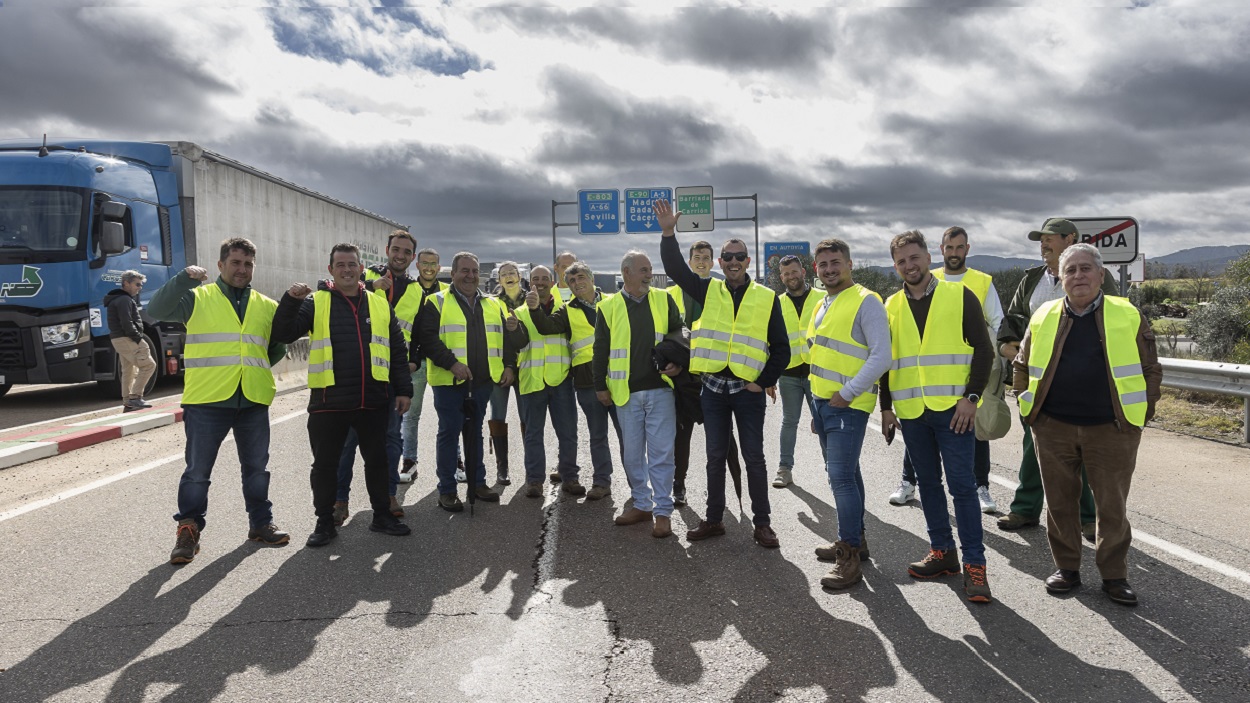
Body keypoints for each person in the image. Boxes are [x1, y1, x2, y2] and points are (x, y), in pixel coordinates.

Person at [1013, 243, 1161, 606]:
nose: (1078, 276)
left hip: (1112, 428)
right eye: (1071, 270)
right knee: (1060, 504)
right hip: (1052, 427)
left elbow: (1150, 369)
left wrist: (1141, 415)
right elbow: (1021, 364)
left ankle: (1114, 576)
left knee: (1111, 507)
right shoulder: (1044, 314)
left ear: (1100, 275)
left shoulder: (1127, 314)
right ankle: (1067, 569)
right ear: (1061, 278)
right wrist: (1028, 409)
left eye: (1085, 269)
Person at [656, 200, 790, 549]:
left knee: (754, 458)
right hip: (713, 389)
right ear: (720, 263)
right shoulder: (707, 288)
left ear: (748, 261)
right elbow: (674, 268)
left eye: (738, 256)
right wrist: (668, 232)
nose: (732, 262)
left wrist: (761, 381)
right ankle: (714, 519)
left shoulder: (766, 297)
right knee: (715, 456)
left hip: (747, 393)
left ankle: (762, 524)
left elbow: (782, 349)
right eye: (727, 257)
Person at [148, 238, 289, 564]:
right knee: (197, 471)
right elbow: (155, 310)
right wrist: (184, 278)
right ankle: (188, 531)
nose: (242, 270)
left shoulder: (266, 305)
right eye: (236, 263)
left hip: (252, 399)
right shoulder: (197, 298)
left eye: (248, 264)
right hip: (207, 401)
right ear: (221, 264)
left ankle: (260, 524)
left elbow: (276, 346)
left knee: (257, 469)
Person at [271, 243, 414, 547]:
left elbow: (397, 351)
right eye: (340, 265)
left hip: (374, 399)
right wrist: (290, 301)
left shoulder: (378, 304)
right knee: (326, 466)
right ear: (331, 270)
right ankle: (324, 522)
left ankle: (381, 516)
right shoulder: (315, 302)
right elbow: (283, 333)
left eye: (352, 264)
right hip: (328, 402)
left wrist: (403, 389)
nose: (347, 270)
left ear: (362, 268)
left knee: (377, 462)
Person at [879, 230, 995, 603]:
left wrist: (971, 398)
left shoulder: (959, 295)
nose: (909, 266)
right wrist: (885, 407)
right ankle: (943, 553)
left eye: (914, 258)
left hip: (953, 411)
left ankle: (975, 565)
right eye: (901, 261)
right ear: (895, 266)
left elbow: (983, 350)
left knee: (962, 487)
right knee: (928, 485)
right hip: (912, 412)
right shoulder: (890, 305)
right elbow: (886, 360)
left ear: (929, 257)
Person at [996, 218, 1119, 538]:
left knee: (1082, 450)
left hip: (1082, 383)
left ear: (1070, 239)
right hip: (1036, 384)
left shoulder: (1098, 279)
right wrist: (1014, 353)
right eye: (1041, 240)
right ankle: (1024, 510)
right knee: (1032, 448)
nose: (1043, 244)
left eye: (1049, 238)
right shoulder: (1031, 279)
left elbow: (1117, 324)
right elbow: (1011, 324)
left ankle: (1088, 517)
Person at [889, 226, 1004, 512]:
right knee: (920, 441)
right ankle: (908, 480)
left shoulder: (978, 283)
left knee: (975, 436)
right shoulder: (919, 285)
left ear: (967, 249)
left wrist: (976, 390)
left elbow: (996, 326)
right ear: (940, 252)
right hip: (921, 389)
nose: (954, 253)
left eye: (959, 247)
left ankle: (982, 486)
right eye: (949, 248)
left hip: (969, 379)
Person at [805, 240, 892, 589]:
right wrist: (817, 407)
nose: (829, 269)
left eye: (835, 262)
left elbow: (881, 356)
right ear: (817, 269)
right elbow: (820, 357)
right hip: (824, 403)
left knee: (839, 477)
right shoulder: (823, 302)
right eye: (823, 264)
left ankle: (848, 556)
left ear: (850, 264)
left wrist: (847, 393)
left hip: (847, 405)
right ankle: (856, 541)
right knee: (848, 473)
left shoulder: (866, 301)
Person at [416, 252, 526, 512]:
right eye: (465, 270)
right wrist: (452, 364)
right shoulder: (436, 302)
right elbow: (428, 339)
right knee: (449, 433)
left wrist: (509, 365)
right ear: (453, 274)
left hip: (482, 381)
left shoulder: (494, 304)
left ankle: (477, 482)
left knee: (474, 431)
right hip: (448, 382)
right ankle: (447, 490)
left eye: (475, 271)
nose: (470, 276)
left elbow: (509, 340)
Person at [593, 249, 684, 538]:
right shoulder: (607, 307)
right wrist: (599, 385)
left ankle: (662, 512)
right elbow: (600, 350)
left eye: (650, 270)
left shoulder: (663, 298)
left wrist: (678, 364)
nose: (649, 275)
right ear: (626, 273)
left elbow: (678, 335)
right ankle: (641, 504)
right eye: (643, 270)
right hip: (625, 393)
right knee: (632, 454)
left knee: (661, 454)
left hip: (660, 390)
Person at [332, 230, 418, 525]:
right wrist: (369, 283)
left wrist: (414, 362)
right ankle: (339, 500)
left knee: (391, 440)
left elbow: (418, 333)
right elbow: (329, 288)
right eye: (396, 249)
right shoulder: (361, 272)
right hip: (356, 374)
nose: (400, 255)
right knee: (346, 442)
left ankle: (389, 495)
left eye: (406, 252)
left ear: (412, 257)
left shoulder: (417, 291)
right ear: (387, 250)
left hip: (392, 376)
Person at [529, 261, 623, 500]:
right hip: (588, 381)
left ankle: (639, 487)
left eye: (581, 277)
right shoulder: (567, 310)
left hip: (620, 378)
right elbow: (546, 327)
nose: (577, 283)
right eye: (571, 281)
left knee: (628, 435)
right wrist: (534, 309)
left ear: (592, 278)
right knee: (598, 435)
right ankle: (602, 482)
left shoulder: (615, 300)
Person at [664, 240, 745, 506]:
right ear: (689, 262)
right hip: (682, 377)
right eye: (696, 257)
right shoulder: (670, 294)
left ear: (713, 263)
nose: (701, 261)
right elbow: (665, 332)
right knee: (681, 434)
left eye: (706, 257)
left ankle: (719, 490)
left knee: (720, 437)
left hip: (713, 375)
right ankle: (679, 485)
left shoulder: (721, 291)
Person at [514, 265, 582, 497]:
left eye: (545, 278)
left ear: (553, 282)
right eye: (535, 279)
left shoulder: (566, 310)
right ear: (528, 282)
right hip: (533, 380)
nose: (540, 282)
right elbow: (516, 345)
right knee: (533, 433)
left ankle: (570, 477)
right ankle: (534, 481)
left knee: (568, 432)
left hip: (561, 379)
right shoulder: (520, 312)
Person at [399, 246, 450, 482]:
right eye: (425, 263)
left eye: (433, 264)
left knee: (449, 415)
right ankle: (409, 461)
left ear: (439, 268)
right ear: (417, 265)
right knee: (411, 415)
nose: (429, 268)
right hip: (415, 363)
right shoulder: (407, 289)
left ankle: (455, 460)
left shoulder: (449, 292)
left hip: (441, 360)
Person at [773, 254, 821, 489]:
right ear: (781, 277)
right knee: (789, 421)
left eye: (794, 271)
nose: (791, 276)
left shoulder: (823, 299)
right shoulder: (777, 303)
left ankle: (832, 469)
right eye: (786, 273)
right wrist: (768, 376)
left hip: (817, 373)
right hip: (788, 373)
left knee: (823, 421)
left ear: (803, 272)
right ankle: (784, 469)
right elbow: (767, 340)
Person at [485, 261, 529, 485]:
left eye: (512, 273)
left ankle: (531, 468)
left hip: (527, 368)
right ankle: (502, 468)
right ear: (499, 280)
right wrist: (506, 366)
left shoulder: (530, 300)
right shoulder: (492, 303)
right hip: (499, 368)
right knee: (498, 415)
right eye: (504, 274)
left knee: (527, 417)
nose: (509, 277)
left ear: (520, 276)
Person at [104, 270, 156, 412]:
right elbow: (127, 323)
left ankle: (128, 402)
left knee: (128, 369)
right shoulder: (124, 300)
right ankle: (135, 397)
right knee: (149, 365)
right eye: (137, 284)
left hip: (119, 338)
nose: (140, 288)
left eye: (141, 285)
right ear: (126, 283)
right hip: (127, 338)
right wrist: (139, 339)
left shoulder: (118, 299)